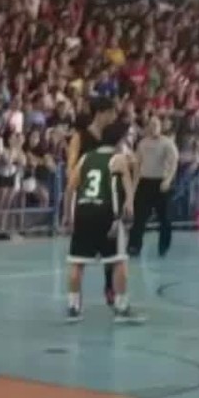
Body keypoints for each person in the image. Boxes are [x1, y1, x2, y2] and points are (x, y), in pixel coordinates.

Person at [64, 121, 144, 324]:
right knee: (118, 261)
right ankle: (121, 307)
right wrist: (130, 205)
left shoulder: (85, 158)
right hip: (107, 214)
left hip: (83, 212)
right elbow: (128, 186)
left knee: (77, 261)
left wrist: (67, 214)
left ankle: (73, 307)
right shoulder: (118, 159)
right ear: (119, 140)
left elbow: (70, 188)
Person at [66, 97, 118, 306]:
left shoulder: (111, 137)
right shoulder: (80, 137)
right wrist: (75, 187)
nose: (114, 117)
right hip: (86, 198)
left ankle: (110, 288)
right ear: (101, 113)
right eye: (111, 112)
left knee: (112, 252)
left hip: (107, 198)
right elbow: (71, 166)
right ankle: (75, 301)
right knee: (80, 257)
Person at [128, 116, 178, 257]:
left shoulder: (168, 143)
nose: (153, 127)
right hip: (145, 182)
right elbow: (138, 164)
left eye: (156, 124)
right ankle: (134, 246)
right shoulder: (142, 144)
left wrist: (168, 180)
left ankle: (163, 247)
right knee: (139, 217)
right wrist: (134, 185)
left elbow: (174, 163)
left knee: (164, 218)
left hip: (161, 182)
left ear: (160, 126)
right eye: (151, 124)